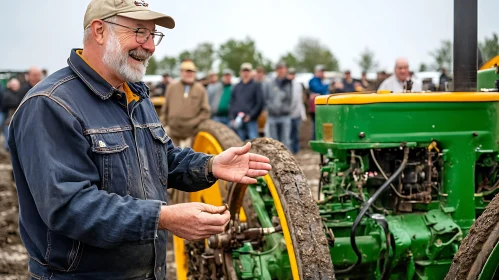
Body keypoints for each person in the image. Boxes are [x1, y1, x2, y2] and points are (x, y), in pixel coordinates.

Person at [8, 1, 272, 279]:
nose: (150, 47)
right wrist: (163, 217)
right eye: (139, 32)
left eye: (153, 35)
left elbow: (160, 158)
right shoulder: (51, 105)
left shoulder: (134, 94)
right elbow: (69, 207)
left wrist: (210, 165)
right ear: (99, 31)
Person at [160, 60, 211, 147]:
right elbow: (165, 109)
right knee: (168, 155)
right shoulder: (171, 87)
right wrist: (163, 126)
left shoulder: (201, 89)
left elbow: (205, 111)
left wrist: (193, 123)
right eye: (187, 71)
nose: (189, 74)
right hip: (172, 130)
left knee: (188, 158)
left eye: (192, 72)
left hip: (190, 132)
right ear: (181, 72)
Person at [229, 63, 264, 141]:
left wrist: (251, 116)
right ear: (240, 72)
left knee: (254, 142)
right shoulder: (237, 86)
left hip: (250, 120)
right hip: (238, 120)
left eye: (247, 71)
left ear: (251, 72)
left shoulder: (256, 85)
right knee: (239, 142)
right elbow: (232, 102)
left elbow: (260, 103)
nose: (245, 73)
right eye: (244, 71)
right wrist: (232, 117)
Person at [262, 62, 293, 150]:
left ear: (285, 69)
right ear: (276, 70)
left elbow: (292, 98)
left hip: (285, 115)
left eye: (282, 68)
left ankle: (287, 161)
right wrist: (270, 108)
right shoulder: (270, 84)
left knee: (286, 141)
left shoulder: (289, 83)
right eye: (279, 68)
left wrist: (288, 108)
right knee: (273, 141)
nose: (281, 71)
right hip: (273, 116)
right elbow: (266, 98)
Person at [308, 65, 330, 140]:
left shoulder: (321, 81)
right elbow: (318, 89)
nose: (322, 73)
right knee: (316, 125)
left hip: (322, 106)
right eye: (321, 71)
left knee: (321, 125)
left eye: (323, 72)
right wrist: (326, 86)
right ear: (316, 72)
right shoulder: (313, 81)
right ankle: (316, 140)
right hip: (316, 107)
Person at [288, 68, 306, 154]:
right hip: (288, 113)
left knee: (295, 133)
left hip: (296, 113)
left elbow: (299, 100)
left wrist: (303, 114)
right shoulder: (286, 85)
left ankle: (296, 150)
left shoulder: (298, 85)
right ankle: (290, 150)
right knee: (289, 133)